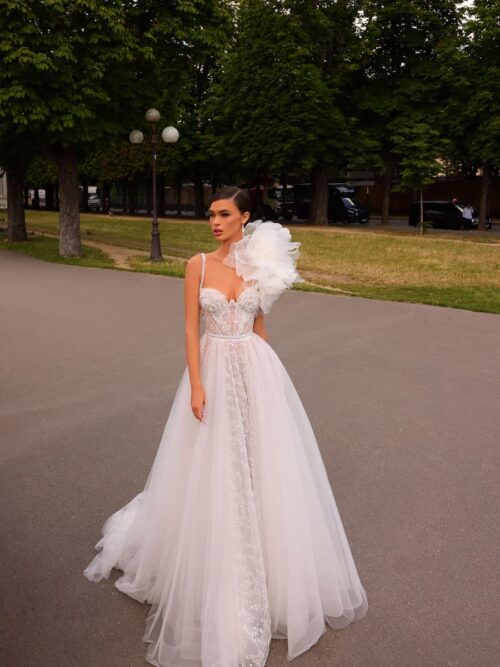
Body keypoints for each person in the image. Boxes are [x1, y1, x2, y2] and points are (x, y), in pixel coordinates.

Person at [83, 186, 368, 667]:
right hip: (213, 365)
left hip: (257, 368)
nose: (214, 222)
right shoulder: (198, 264)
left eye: (223, 214)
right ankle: (215, 556)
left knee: (262, 460)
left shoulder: (259, 266)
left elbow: (259, 327)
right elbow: (192, 328)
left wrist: (271, 382)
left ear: (244, 218)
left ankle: (271, 559)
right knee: (215, 461)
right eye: (211, 215)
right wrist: (197, 386)